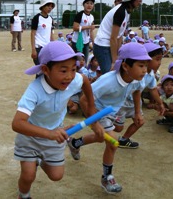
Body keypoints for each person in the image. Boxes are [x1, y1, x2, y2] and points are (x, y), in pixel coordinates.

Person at [12, 41, 104, 199]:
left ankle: (39, 159)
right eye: (63, 70)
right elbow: (17, 123)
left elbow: (85, 81)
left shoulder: (74, 80)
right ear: (45, 70)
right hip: (30, 138)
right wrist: (49, 134)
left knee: (56, 175)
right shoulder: (35, 90)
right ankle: (24, 195)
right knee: (28, 176)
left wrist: (91, 109)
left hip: (55, 135)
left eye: (73, 69)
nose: (69, 76)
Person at [67, 43, 151, 194]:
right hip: (98, 110)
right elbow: (85, 99)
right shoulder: (108, 81)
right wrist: (94, 122)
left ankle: (74, 143)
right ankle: (107, 177)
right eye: (141, 65)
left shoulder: (137, 78)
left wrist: (138, 112)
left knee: (105, 135)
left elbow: (137, 91)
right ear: (125, 66)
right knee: (113, 142)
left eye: (146, 65)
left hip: (114, 111)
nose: (145, 70)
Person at [116, 43, 165, 148]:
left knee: (140, 122)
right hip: (122, 103)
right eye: (157, 59)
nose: (159, 63)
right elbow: (135, 91)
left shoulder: (151, 75)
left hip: (135, 104)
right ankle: (102, 128)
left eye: (161, 59)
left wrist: (160, 103)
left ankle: (124, 139)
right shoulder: (135, 73)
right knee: (118, 128)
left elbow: (153, 90)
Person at [93, 0, 145, 74]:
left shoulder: (127, 11)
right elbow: (113, 38)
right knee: (110, 75)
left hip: (108, 45)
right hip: (102, 46)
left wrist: (119, 55)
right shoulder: (120, 12)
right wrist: (114, 61)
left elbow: (119, 36)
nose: (141, 0)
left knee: (115, 73)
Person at [31, 0, 55, 65]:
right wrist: (33, 50)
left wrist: (53, 46)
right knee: (40, 69)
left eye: (51, 6)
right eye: (48, 6)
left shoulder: (50, 19)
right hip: (38, 48)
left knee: (46, 70)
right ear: (43, 6)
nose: (50, 8)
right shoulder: (37, 18)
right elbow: (33, 33)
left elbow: (51, 34)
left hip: (47, 48)